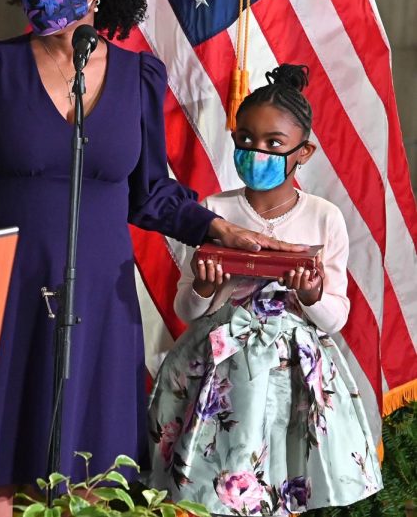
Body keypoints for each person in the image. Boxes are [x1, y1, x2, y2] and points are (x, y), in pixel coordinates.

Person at [0, 0, 298, 514]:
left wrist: (222, 228)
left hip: (99, 307)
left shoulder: (140, 77)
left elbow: (151, 194)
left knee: (91, 477)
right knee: (0, 470)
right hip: (9, 298)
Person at [147, 65, 382, 515]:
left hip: (294, 370)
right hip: (217, 368)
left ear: (304, 151)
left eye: (274, 143)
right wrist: (202, 284)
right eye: (246, 139)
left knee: (283, 480)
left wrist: (311, 295)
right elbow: (186, 308)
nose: (258, 150)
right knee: (216, 483)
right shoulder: (214, 210)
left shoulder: (324, 216)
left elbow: (336, 316)